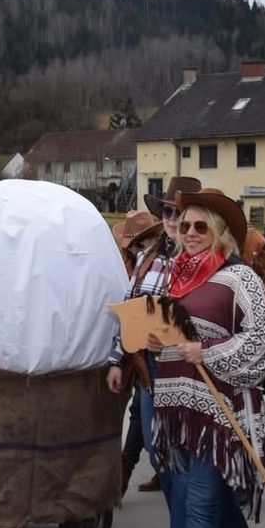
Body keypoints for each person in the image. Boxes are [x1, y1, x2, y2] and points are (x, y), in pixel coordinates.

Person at [128, 186, 265, 528]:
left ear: (218, 232)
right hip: (180, 406)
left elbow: (263, 340)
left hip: (220, 410)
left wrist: (207, 352)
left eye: (199, 226)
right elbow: (171, 338)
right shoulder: (176, 274)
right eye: (184, 225)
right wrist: (156, 343)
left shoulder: (240, 277)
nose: (188, 233)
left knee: (199, 503)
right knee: (216, 495)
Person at [107, 178, 188, 497]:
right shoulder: (147, 258)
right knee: (159, 451)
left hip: (186, 368)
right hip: (148, 368)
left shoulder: (203, 262)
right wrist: (116, 360)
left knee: (182, 451)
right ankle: (180, 525)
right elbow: (129, 312)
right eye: (167, 211)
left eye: (179, 212)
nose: (172, 218)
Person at [110, 211, 164, 493]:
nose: (134, 249)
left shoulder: (158, 263)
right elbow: (128, 306)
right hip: (136, 349)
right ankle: (139, 469)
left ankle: (128, 468)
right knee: (139, 414)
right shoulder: (134, 261)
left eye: (140, 243)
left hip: (153, 353)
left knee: (142, 415)